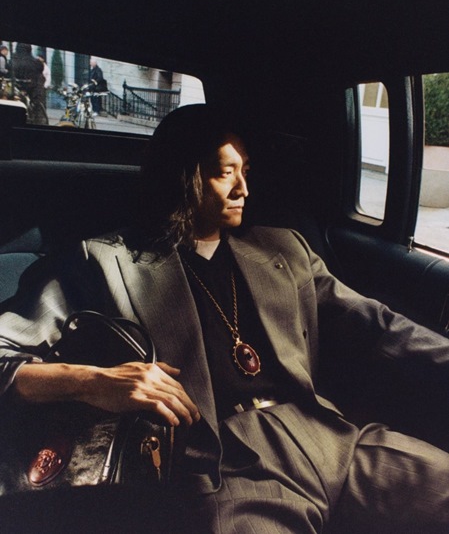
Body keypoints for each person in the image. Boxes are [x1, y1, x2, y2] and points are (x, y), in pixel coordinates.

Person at [0, 104, 449, 534]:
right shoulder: (103, 262)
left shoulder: (284, 249)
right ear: (183, 177)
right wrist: (93, 381)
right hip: (225, 466)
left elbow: (377, 324)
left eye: (245, 171)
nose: (243, 189)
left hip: (330, 435)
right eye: (224, 173)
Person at [10, 42, 47, 124]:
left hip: (16, 86)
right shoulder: (34, 61)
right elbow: (40, 68)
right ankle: (37, 116)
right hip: (31, 86)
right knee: (37, 102)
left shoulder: (12, 59)